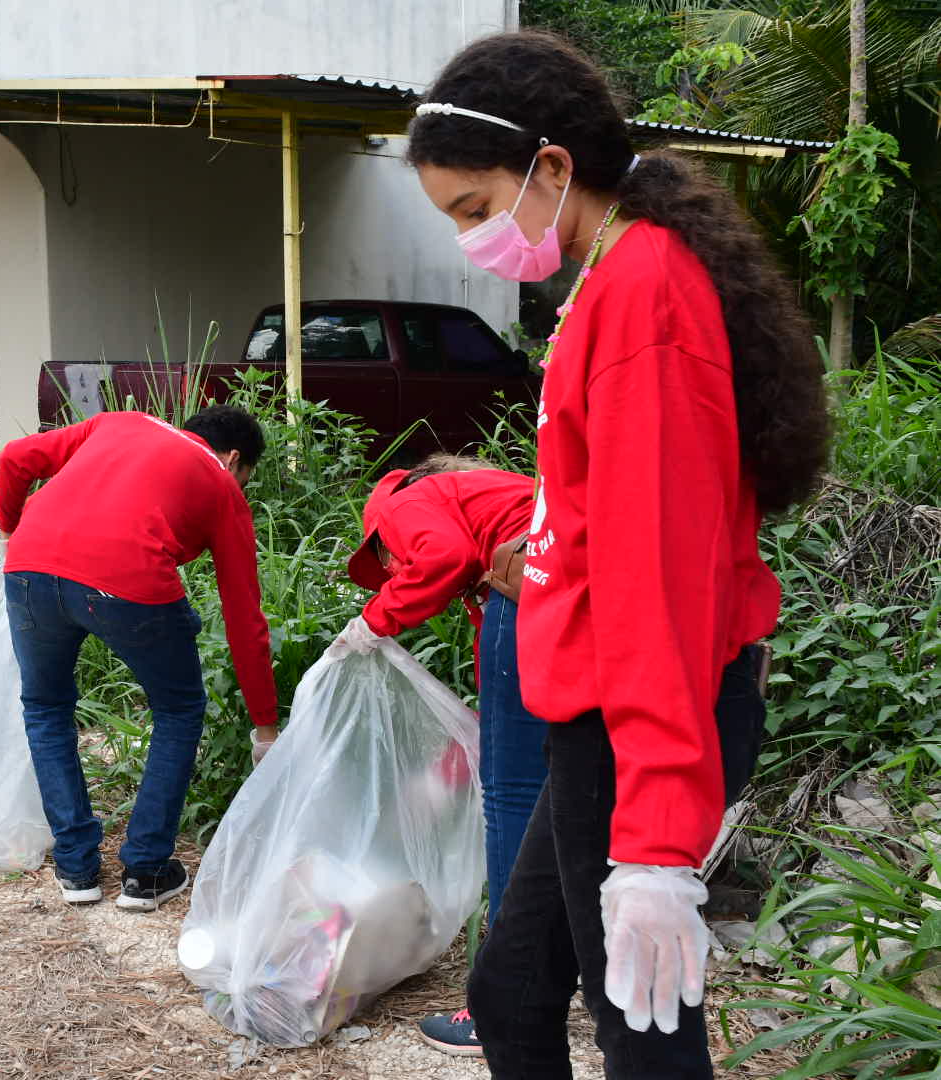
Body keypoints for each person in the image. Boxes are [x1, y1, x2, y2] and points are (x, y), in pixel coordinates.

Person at [404, 31, 831, 1078]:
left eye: (473, 208)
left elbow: (664, 582)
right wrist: (544, 548)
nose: (473, 238)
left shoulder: (644, 295)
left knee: (644, 1034)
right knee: (509, 994)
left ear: (551, 167)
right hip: (597, 707)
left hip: (638, 721)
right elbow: (612, 512)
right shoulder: (616, 277)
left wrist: (654, 841)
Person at [0, 405, 279, 910]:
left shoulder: (118, 422)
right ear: (234, 458)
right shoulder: (221, 483)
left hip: (28, 568)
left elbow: (17, 456)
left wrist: (7, 530)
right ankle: (146, 872)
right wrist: (265, 726)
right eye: (246, 477)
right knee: (178, 709)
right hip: (128, 584)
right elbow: (244, 617)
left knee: (45, 707)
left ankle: (77, 869)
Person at [333, 454, 540, 1056]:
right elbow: (502, 695)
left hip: (536, 587)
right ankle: (564, 981)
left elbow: (442, 557)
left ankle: (496, 1011)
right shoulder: (499, 501)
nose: (396, 567)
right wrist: (460, 755)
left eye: (388, 562)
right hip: (595, 589)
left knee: (513, 800)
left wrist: (373, 623)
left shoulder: (402, 503)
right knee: (571, 788)